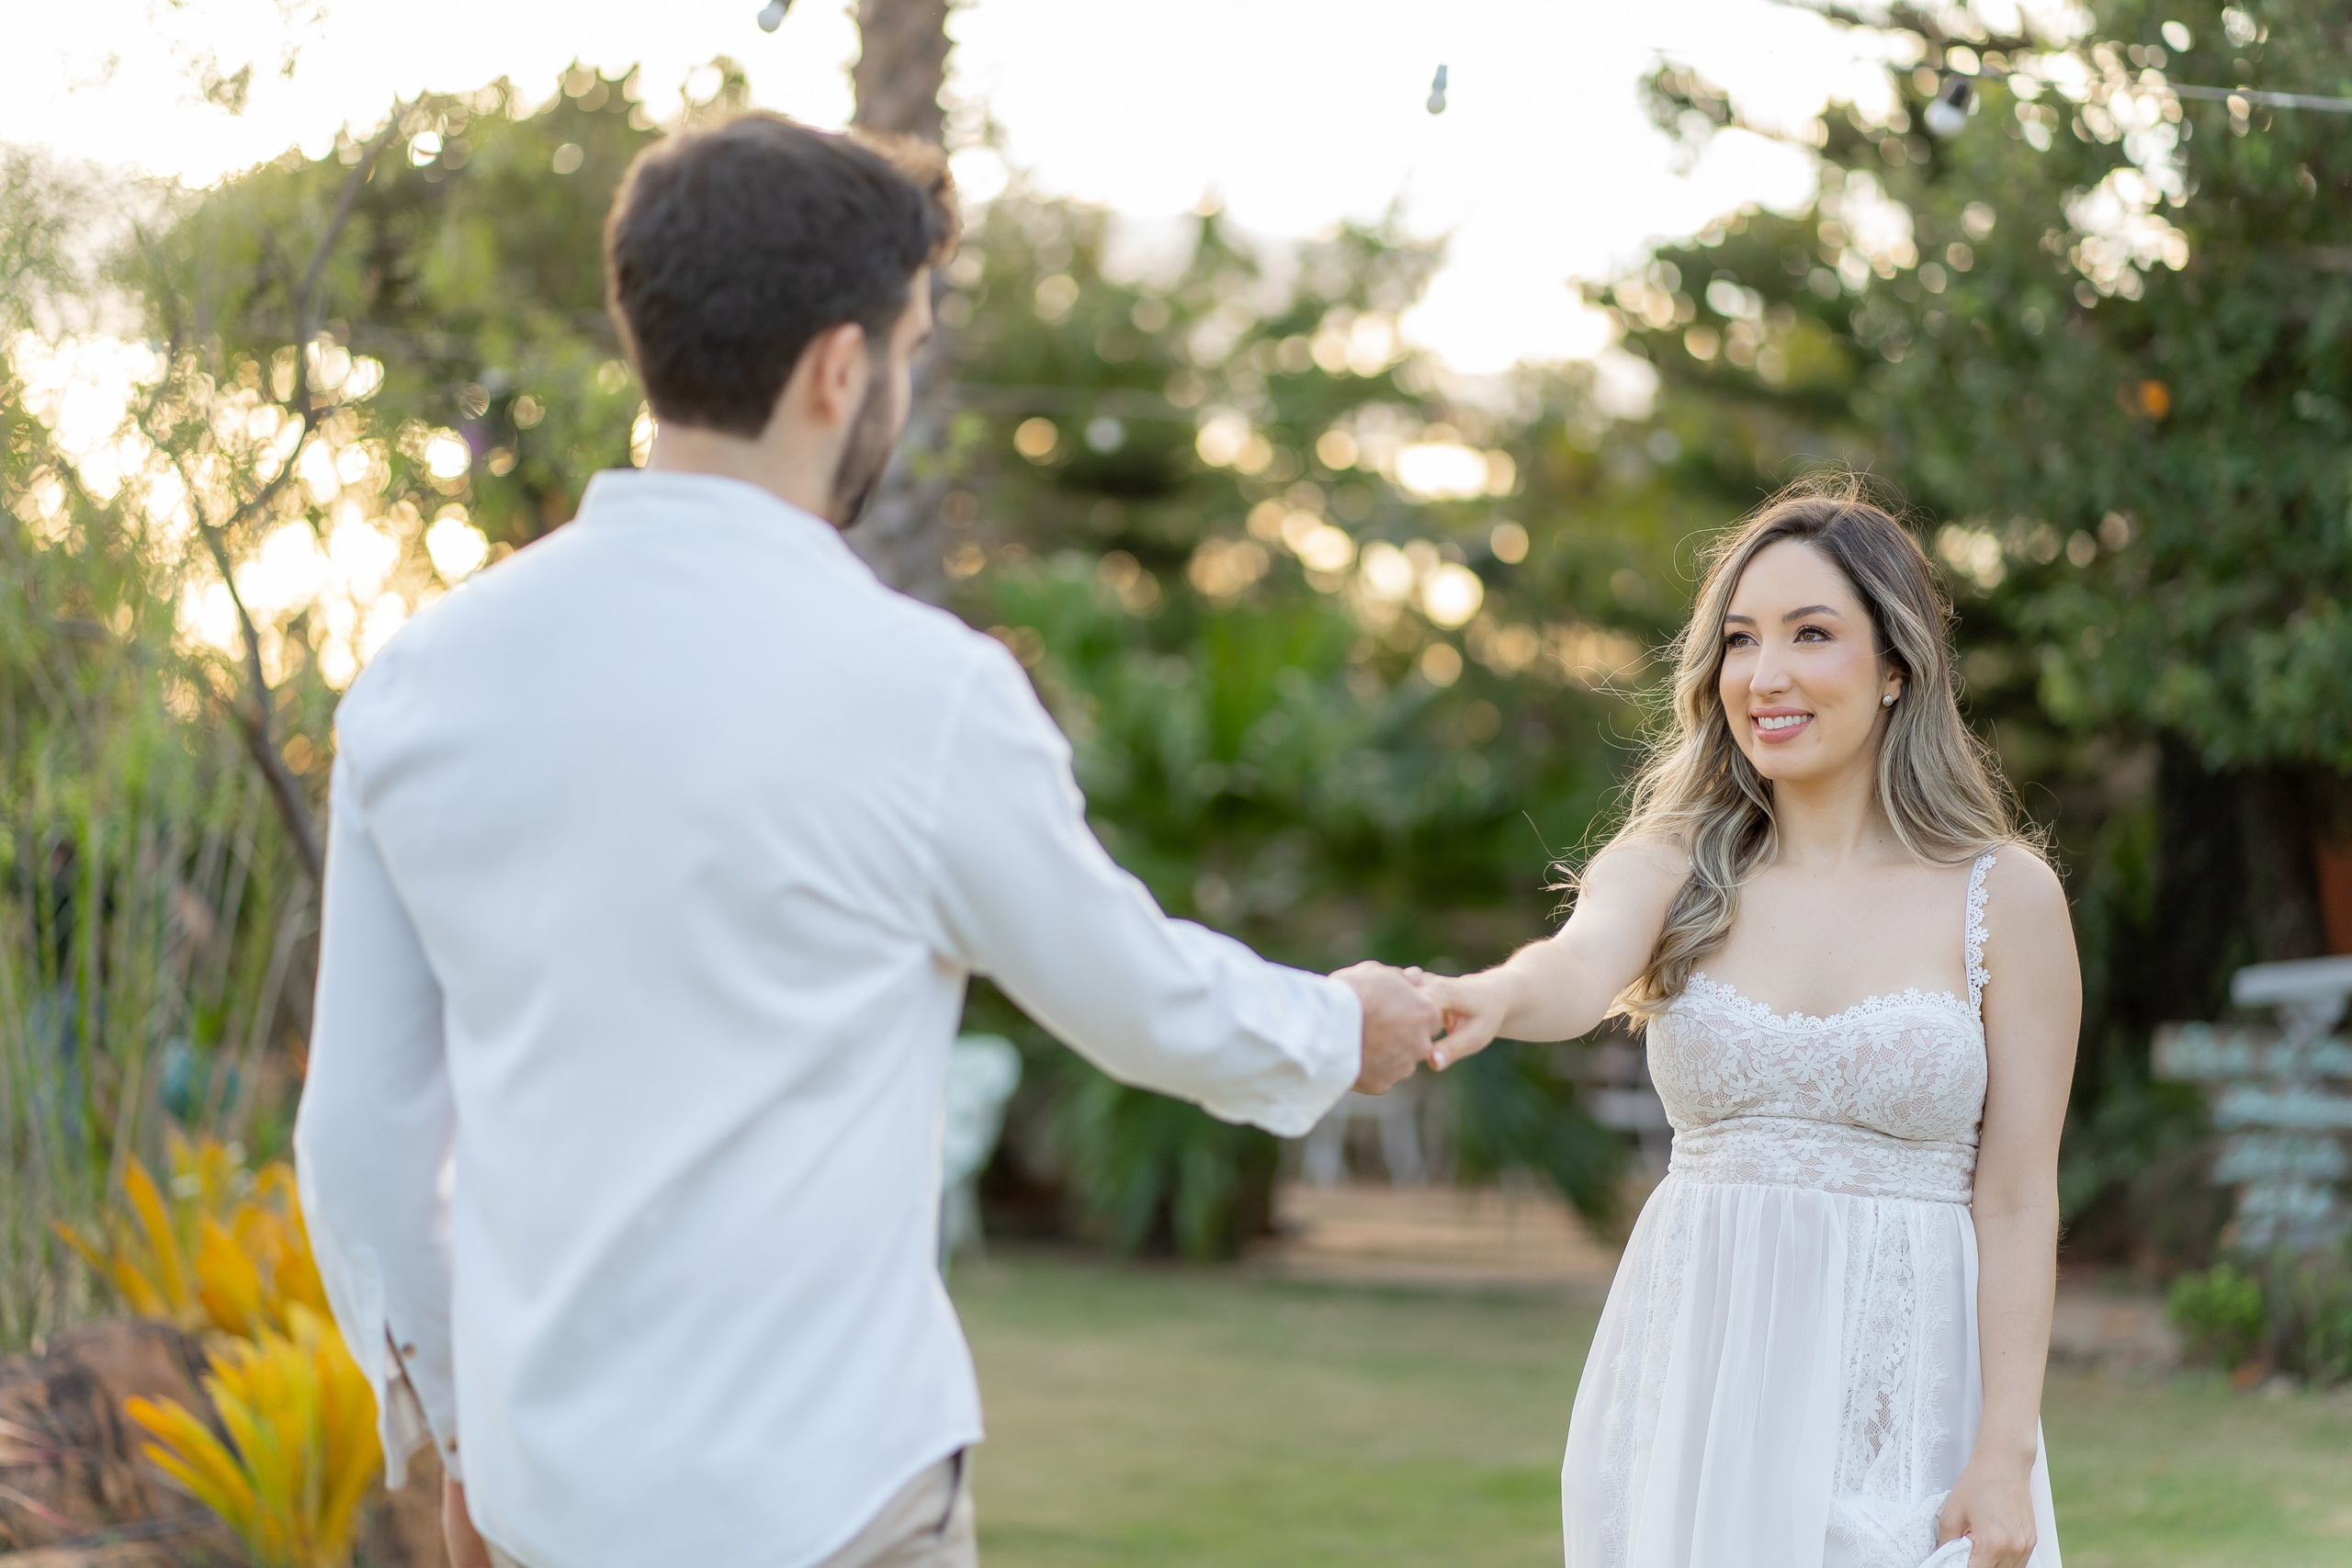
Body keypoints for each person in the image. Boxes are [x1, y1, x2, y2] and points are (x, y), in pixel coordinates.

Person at [291, 115, 1441, 1568]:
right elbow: (1142, 998)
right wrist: (1340, 1022)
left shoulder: (417, 681)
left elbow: (362, 1133)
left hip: (546, 1509)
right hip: (834, 1501)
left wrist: (452, 1426)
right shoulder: (927, 694)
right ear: (842, 367)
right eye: (905, 346)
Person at [1418, 483, 2077, 1568]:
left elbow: (2013, 1200)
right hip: (1695, 1392)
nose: (1762, 676)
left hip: (1909, 1397)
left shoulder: (2003, 895)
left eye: (1809, 635)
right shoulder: (1673, 863)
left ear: (1896, 664)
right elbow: (1577, 969)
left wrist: (2000, 1449)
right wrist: (1490, 997)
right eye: (1737, 640)